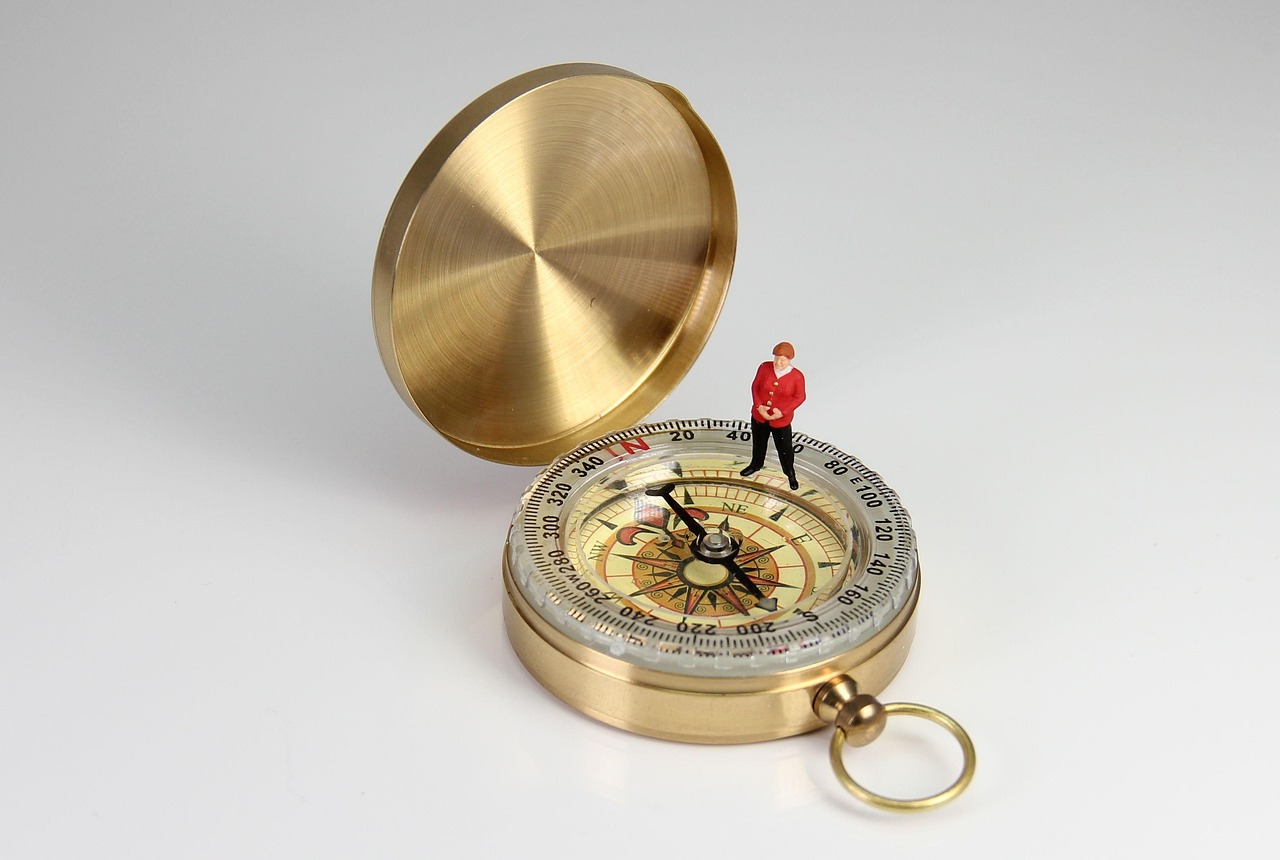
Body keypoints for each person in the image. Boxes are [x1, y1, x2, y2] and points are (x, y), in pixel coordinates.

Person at [739, 342, 806, 490]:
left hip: (781, 421)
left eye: (783, 360)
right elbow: (755, 386)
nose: (778, 362)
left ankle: (790, 474)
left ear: (790, 360)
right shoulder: (764, 367)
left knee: (785, 449)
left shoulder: (797, 376)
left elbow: (800, 397)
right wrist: (759, 406)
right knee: (758, 443)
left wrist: (782, 412)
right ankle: (755, 465)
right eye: (776, 358)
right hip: (760, 415)